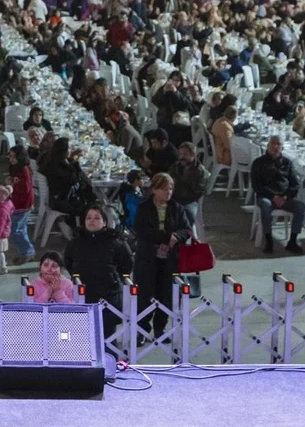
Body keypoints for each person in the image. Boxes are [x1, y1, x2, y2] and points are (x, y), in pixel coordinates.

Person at [134, 173, 193, 342]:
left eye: (171, 189)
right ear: (154, 190)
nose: (168, 192)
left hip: (170, 259)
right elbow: (141, 231)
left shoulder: (177, 208)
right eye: (164, 189)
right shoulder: (144, 208)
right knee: (145, 295)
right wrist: (166, 238)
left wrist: (176, 237)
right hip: (148, 258)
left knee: (166, 294)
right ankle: (142, 330)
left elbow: (186, 229)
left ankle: (160, 329)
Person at [65, 205, 134, 338]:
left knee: (108, 336)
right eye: (89, 218)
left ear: (104, 222)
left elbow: (127, 264)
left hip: (110, 294)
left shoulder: (116, 242)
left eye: (97, 218)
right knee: (84, 336)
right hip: (84, 294)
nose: (92, 221)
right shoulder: (75, 243)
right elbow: (68, 262)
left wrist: (114, 277)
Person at [251, 135, 305, 254]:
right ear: (268, 145)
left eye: (278, 144)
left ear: (282, 147)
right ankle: (268, 240)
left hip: (284, 197)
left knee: (300, 206)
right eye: (273, 143)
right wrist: (274, 197)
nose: (275, 146)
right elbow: (257, 186)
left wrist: (285, 197)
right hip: (266, 196)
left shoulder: (287, 163)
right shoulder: (258, 163)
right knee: (265, 205)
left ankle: (292, 241)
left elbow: (295, 185)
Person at [6, 145, 35, 265]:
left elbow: (26, 188)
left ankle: (27, 252)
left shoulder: (24, 169)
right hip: (18, 202)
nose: (11, 159)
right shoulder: (15, 167)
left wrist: (13, 183)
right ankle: (26, 252)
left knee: (15, 230)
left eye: (14, 156)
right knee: (21, 229)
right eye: (10, 156)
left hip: (23, 204)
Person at [168, 142, 209, 223]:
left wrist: (185, 183)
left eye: (185, 154)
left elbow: (199, 192)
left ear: (193, 155)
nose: (182, 157)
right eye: (180, 154)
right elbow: (167, 180)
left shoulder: (200, 171)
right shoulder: (175, 167)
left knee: (188, 214)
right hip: (174, 198)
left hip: (190, 201)